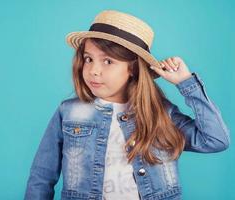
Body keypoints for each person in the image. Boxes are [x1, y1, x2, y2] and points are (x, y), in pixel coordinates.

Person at [24, 10, 230, 200]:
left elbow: (215, 140)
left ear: (132, 68)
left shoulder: (160, 113)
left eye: (108, 61)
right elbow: (42, 176)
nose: (94, 70)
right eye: (88, 59)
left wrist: (186, 83)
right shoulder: (69, 112)